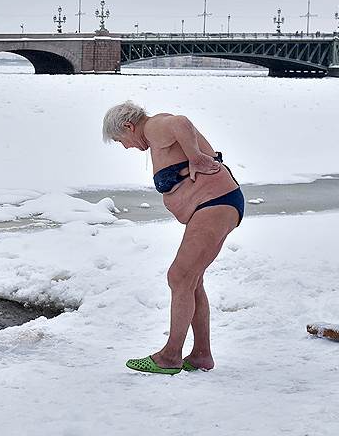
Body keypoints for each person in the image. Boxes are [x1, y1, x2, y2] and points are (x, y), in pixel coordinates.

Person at [102, 101, 245, 375]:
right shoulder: (157, 137)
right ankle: (201, 355)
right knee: (191, 280)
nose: (126, 147)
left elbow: (182, 122)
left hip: (215, 203)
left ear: (129, 127)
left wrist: (195, 157)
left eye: (122, 140)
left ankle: (170, 356)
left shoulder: (155, 126)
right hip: (214, 204)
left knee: (179, 277)